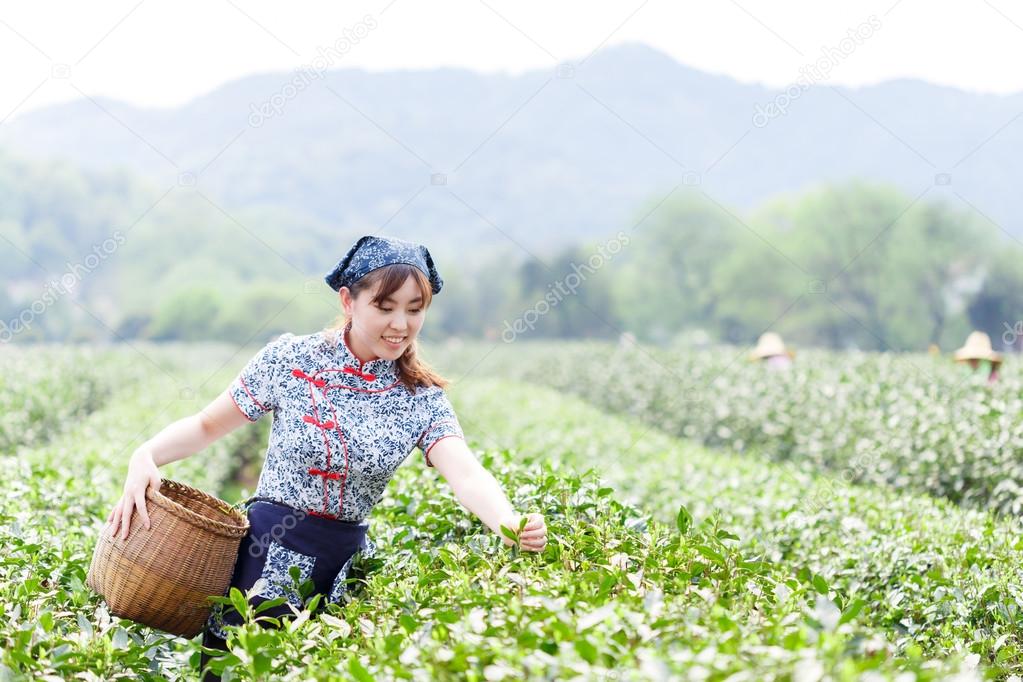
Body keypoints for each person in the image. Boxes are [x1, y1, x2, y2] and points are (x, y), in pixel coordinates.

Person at [104, 235, 548, 681]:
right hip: (265, 558)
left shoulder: (421, 396)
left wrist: (510, 523)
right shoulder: (292, 360)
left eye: (415, 309)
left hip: (345, 571)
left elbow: (466, 472)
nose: (400, 323)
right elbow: (207, 425)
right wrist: (147, 454)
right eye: (385, 306)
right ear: (349, 301)